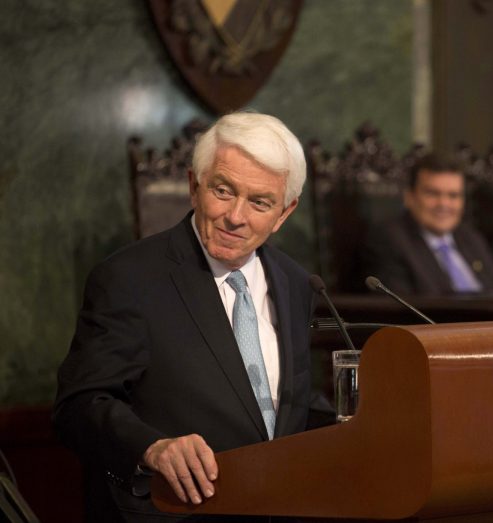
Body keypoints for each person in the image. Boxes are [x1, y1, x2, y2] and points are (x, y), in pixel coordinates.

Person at [53, 112, 333, 522]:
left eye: (259, 202)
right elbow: (79, 406)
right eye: (223, 190)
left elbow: (286, 403)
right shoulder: (129, 278)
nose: (236, 216)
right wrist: (152, 448)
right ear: (193, 186)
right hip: (171, 511)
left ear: (284, 213)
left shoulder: (294, 282)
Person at [361, 154, 493, 295]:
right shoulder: (390, 240)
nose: (443, 204)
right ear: (409, 197)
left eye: (453, 195)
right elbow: (400, 309)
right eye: (433, 194)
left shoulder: (472, 238)